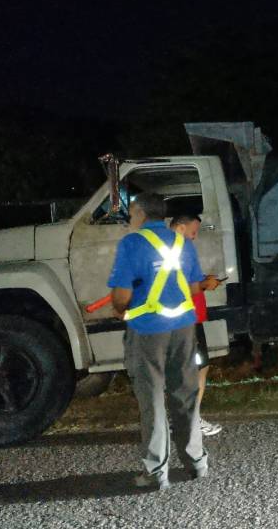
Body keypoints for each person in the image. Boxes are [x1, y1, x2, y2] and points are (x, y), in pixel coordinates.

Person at [108, 193, 208, 489]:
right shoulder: (182, 243)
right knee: (186, 394)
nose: (130, 218)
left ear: (139, 212)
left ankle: (156, 472)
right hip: (183, 328)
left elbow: (121, 296)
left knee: (152, 399)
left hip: (148, 330)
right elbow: (192, 288)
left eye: (131, 213)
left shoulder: (132, 244)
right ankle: (197, 462)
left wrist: (118, 309)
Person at [170, 214, 224, 436]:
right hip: (186, 319)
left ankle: (185, 418)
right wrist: (204, 284)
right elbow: (181, 285)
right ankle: (190, 420)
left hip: (189, 317)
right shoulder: (177, 250)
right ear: (181, 228)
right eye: (193, 232)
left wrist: (204, 279)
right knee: (196, 368)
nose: (195, 237)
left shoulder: (173, 249)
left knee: (196, 367)